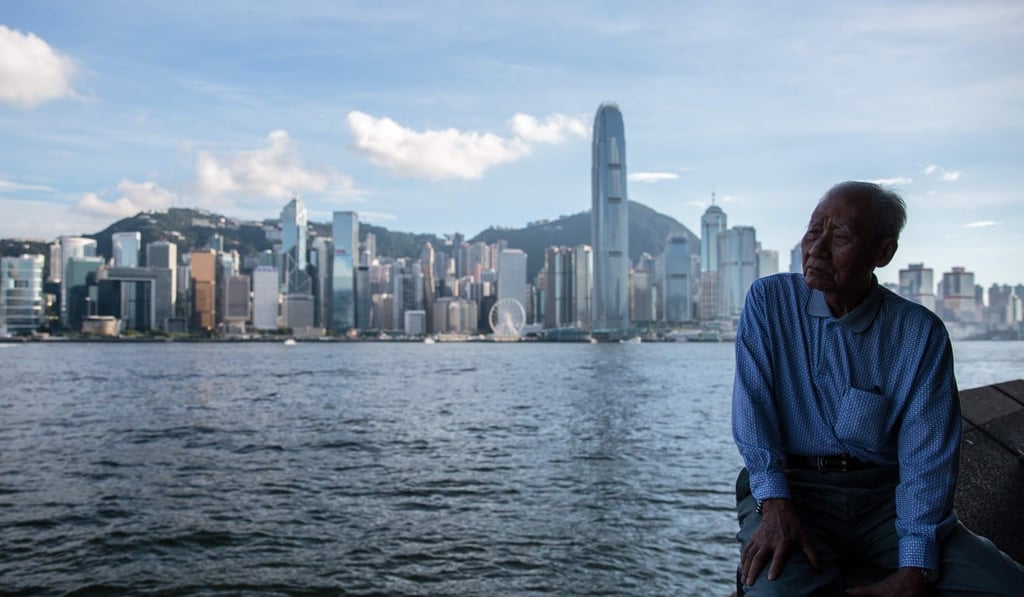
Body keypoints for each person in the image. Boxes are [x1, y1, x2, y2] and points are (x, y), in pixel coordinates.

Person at [731, 181, 1024, 596]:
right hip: (795, 492)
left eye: (840, 237)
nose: (816, 248)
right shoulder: (769, 301)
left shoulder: (920, 334)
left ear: (882, 253)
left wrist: (916, 568)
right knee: (772, 590)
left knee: (1006, 586)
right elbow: (752, 411)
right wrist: (774, 504)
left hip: (887, 501)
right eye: (814, 231)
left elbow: (928, 459)